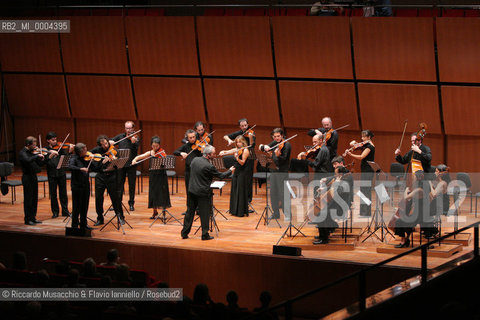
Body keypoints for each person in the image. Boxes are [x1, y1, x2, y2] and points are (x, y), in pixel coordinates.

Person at [181, 145, 234, 240]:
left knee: (190, 212)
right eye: (213, 153)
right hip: (203, 193)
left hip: (192, 190)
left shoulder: (195, 160)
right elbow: (221, 176)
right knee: (205, 213)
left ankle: (184, 233)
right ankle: (204, 234)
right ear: (208, 155)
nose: (215, 155)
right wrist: (230, 170)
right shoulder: (209, 166)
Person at [132, 136, 171, 219]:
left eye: (156, 146)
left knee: (162, 193)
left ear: (159, 145)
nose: (155, 147)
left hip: (161, 176)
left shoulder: (162, 153)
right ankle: (154, 211)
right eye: (153, 146)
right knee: (153, 193)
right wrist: (134, 160)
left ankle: (163, 213)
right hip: (153, 176)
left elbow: (165, 163)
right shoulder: (150, 152)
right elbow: (140, 157)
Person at [312, 165, 353, 244]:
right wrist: (323, 189)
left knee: (321, 214)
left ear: (340, 174)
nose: (335, 176)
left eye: (336, 174)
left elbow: (338, 192)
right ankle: (324, 234)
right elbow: (332, 188)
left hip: (340, 208)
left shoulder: (345, 182)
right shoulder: (341, 180)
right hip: (335, 205)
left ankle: (324, 239)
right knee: (322, 211)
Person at [90, 135, 124, 226]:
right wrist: (100, 161)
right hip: (100, 176)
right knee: (98, 198)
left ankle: (120, 217)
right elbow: (89, 155)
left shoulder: (114, 151)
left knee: (115, 198)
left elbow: (119, 164)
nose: (105, 146)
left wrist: (113, 161)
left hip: (112, 176)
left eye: (106, 143)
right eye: (102, 144)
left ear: (108, 142)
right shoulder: (97, 150)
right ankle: (100, 218)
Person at [259, 128, 291, 219]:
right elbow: (262, 148)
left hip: (282, 172)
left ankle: (288, 215)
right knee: (273, 193)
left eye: (278, 136)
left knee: (283, 194)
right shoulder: (274, 143)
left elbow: (282, 160)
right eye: (275, 136)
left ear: (282, 136)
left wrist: (275, 155)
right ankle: (276, 213)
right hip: (273, 172)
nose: (277, 138)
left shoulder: (287, 145)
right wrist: (264, 146)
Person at [223, 118, 256, 204]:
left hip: (249, 157)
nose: (244, 127)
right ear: (240, 126)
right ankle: (241, 197)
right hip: (241, 156)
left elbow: (252, 145)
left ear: (248, 124)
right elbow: (225, 136)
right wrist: (229, 140)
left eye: (245, 125)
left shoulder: (251, 133)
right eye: (242, 126)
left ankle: (248, 199)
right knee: (242, 177)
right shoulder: (240, 133)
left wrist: (251, 138)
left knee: (248, 179)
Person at [394, 170, 430, 248]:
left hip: (419, 216)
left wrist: (406, 190)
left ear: (417, 178)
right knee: (404, 220)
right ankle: (406, 239)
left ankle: (404, 241)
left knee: (399, 221)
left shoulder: (419, 189)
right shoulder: (424, 186)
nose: (413, 179)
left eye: (414, 177)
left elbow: (406, 197)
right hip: (422, 213)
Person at [110, 121, 139, 211]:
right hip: (121, 164)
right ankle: (118, 203)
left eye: (130, 128)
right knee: (119, 184)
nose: (128, 130)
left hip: (131, 164)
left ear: (133, 128)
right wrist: (110, 142)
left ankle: (131, 203)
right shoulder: (120, 136)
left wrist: (133, 142)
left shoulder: (136, 138)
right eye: (127, 128)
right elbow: (111, 141)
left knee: (132, 185)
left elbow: (136, 149)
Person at [345, 130, 375, 216]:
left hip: (368, 171)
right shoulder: (366, 145)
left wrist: (350, 154)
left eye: (364, 137)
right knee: (364, 191)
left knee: (366, 191)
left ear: (369, 137)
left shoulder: (370, 147)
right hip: (365, 171)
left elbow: (361, 157)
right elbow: (353, 144)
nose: (362, 138)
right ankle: (363, 212)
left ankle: (366, 212)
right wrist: (355, 143)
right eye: (361, 136)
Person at [219, 136, 250, 217]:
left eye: (240, 142)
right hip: (236, 171)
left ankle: (240, 211)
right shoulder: (237, 149)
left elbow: (242, 162)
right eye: (237, 142)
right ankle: (234, 210)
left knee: (240, 191)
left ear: (243, 142)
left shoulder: (246, 150)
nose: (238, 144)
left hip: (242, 172)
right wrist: (224, 152)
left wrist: (237, 158)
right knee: (235, 189)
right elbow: (231, 151)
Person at [19, 136, 47, 225]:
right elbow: (27, 160)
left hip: (34, 177)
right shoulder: (22, 152)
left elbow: (40, 164)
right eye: (34, 144)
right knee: (28, 199)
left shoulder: (33, 153)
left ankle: (33, 217)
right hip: (27, 177)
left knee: (34, 198)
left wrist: (45, 157)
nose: (35, 146)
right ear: (28, 144)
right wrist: (36, 156)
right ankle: (27, 219)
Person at [45, 131, 73, 218]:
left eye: (56, 140)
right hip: (52, 174)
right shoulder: (45, 150)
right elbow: (44, 161)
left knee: (63, 193)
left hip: (61, 173)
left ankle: (65, 211)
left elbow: (66, 159)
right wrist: (50, 155)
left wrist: (70, 151)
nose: (55, 142)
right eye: (53, 140)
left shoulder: (61, 149)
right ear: (48, 140)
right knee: (53, 194)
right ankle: (55, 212)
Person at [68, 143, 91, 230]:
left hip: (85, 185)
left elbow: (94, 167)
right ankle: (74, 225)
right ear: (81, 151)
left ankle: (83, 224)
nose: (87, 151)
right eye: (85, 149)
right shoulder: (73, 158)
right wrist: (80, 169)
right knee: (76, 206)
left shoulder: (85, 158)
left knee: (85, 206)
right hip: (77, 186)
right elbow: (70, 167)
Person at [173, 129, 203, 197]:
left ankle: (198, 207)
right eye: (190, 137)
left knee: (198, 190)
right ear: (187, 138)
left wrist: (203, 151)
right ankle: (190, 207)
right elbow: (175, 152)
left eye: (193, 137)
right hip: (188, 171)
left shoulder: (200, 146)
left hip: (198, 172)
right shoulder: (186, 146)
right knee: (189, 190)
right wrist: (181, 153)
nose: (192, 139)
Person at [424, 164, 451, 239]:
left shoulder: (442, 183)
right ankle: (428, 230)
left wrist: (429, 183)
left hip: (442, 206)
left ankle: (432, 231)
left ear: (440, 173)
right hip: (438, 203)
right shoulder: (439, 182)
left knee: (424, 210)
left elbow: (434, 194)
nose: (434, 173)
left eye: (436, 171)